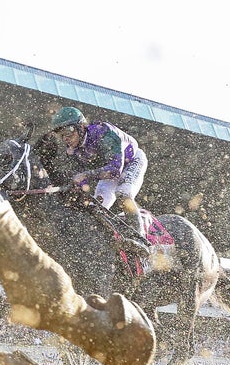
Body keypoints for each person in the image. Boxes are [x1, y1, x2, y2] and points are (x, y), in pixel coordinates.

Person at [48, 106, 152, 256]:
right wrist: (75, 187)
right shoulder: (72, 151)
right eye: (61, 135)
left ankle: (141, 240)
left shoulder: (103, 132)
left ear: (81, 127)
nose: (65, 138)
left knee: (123, 193)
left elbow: (115, 169)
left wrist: (85, 175)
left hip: (131, 162)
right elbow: (80, 181)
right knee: (96, 207)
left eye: (69, 132)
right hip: (107, 172)